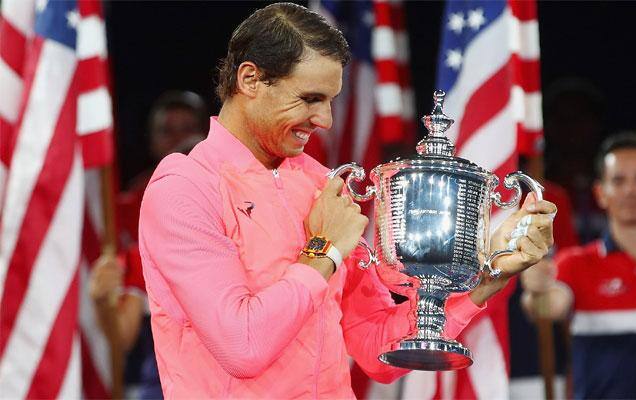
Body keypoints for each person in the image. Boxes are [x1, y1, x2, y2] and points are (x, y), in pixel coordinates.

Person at [138, 3, 556, 397]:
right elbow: (243, 345)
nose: (325, 121)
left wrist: (488, 276)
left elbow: (377, 348)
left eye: (331, 100)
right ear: (250, 79)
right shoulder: (184, 186)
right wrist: (323, 250)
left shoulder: (324, 185)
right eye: (309, 99)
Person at [521, 132, 636, 399]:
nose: (630, 190)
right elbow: (547, 308)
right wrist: (537, 291)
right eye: (618, 180)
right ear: (600, 193)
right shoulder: (575, 264)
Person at [89, 90, 208, 399]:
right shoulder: (150, 241)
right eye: (168, 131)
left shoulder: (259, 228)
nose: (180, 140)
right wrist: (103, 301)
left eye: (189, 129)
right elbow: (123, 336)